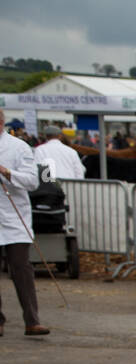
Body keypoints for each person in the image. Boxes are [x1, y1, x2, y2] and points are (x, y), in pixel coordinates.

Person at [0, 109, 50, 335]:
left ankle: (32, 320)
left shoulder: (19, 147)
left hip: (13, 217)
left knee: (21, 268)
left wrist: (7, 172)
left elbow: (32, 182)